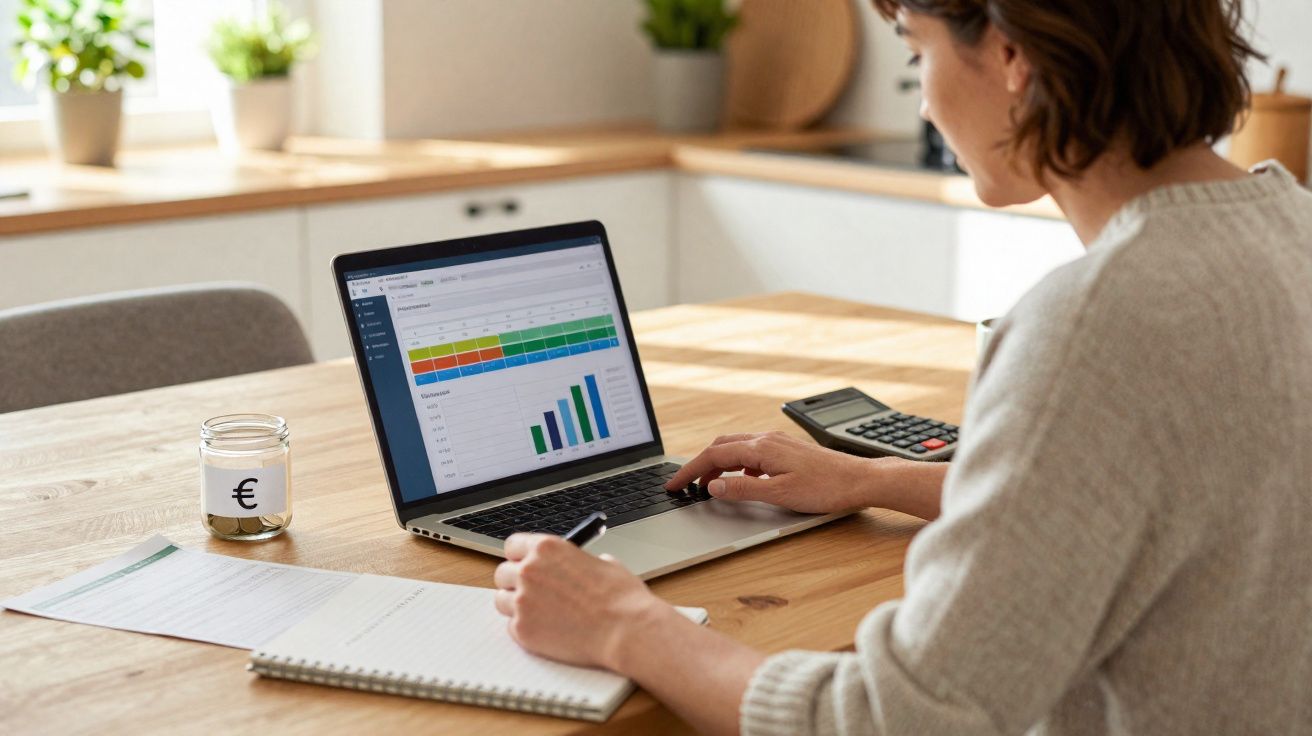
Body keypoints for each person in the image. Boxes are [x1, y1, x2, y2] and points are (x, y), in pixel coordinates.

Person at [492, 0, 1312, 733]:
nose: (921, 100)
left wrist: (625, 624)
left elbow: (897, 719)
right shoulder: (1291, 228)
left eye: (917, 54)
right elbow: (1182, 493)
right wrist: (878, 480)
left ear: (1010, 55)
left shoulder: (1094, 324)